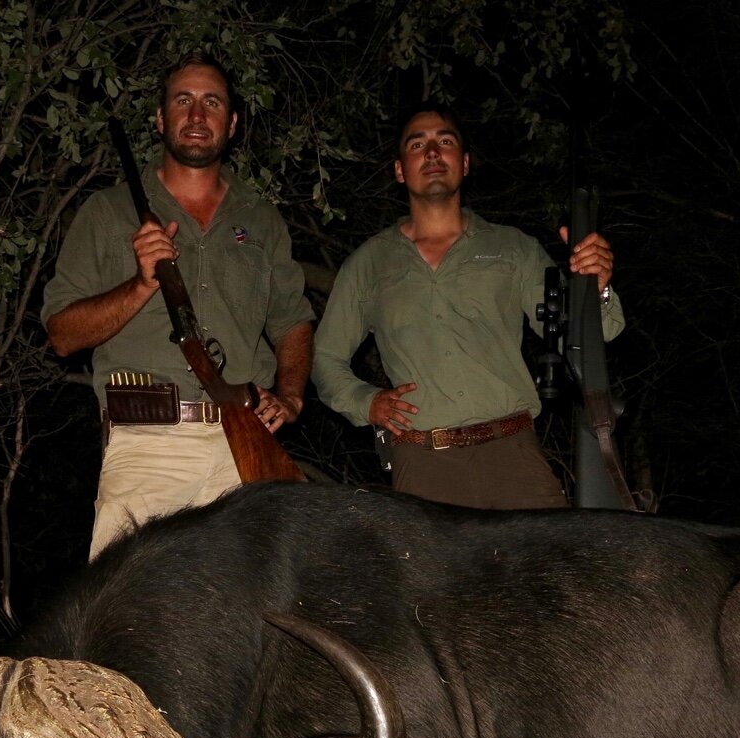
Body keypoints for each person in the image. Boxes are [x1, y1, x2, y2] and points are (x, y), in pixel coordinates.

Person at [42, 52, 313, 559]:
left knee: (256, 623)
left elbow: (293, 321)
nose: (196, 115)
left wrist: (292, 396)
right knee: (134, 622)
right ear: (161, 119)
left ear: (231, 124)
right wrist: (140, 285)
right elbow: (62, 335)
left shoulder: (262, 219)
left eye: (211, 102)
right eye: (182, 101)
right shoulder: (106, 212)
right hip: (149, 445)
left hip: (246, 445)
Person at [312, 106, 624, 510]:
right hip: (422, 463)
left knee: (553, 571)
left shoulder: (514, 249)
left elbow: (588, 338)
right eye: (417, 144)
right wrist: (365, 401)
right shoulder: (368, 264)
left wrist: (595, 286)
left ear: (465, 163)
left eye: (445, 141)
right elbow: (324, 358)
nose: (432, 152)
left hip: (513, 456)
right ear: (399, 170)